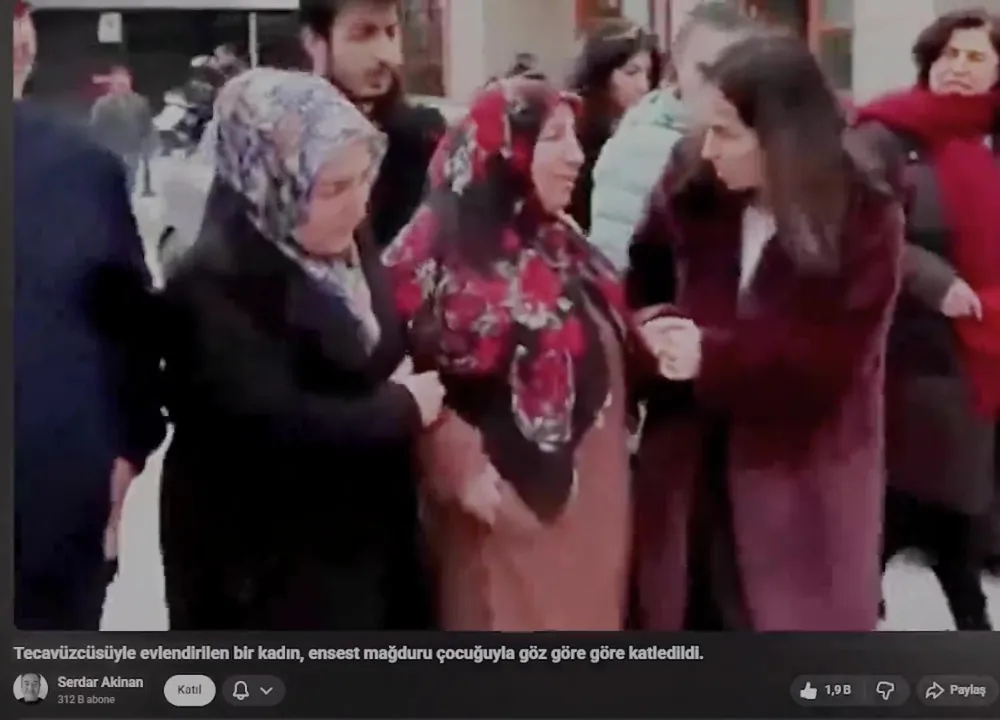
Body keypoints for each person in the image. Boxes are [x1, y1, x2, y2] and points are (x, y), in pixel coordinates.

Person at [625, 34, 902, 631]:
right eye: (707, 129)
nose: (709, 148)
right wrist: (650, 336)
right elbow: (638, 291)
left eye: (727, 133)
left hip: (798, 485)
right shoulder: (690, 189)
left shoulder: (861, 215)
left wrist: (712, 357)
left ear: (780, 137)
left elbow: (829, 363)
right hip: (686, 475)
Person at [159, 69, 444, 629]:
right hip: (268, 576)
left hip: (369, 554)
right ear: (269, 181)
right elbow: (269, 424)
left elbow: (375, 343)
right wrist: (402, 408)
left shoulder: (343, 240)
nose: (357, 206)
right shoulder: (213, 284)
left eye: (364, 179)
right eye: (333, 189)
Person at [382, 78, 648, 630]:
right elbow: (390, 367)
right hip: (502, 520)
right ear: (504, 150)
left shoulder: (560, 241)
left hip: (589, 518)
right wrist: (456, 461)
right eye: (553, 138)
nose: (576, 155)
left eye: (574, 136)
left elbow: (596, 335)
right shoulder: (437, 252)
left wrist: (650, 336)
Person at [854, 8, 1000, 625]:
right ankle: (875, 590)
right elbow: (867, 226)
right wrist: (934, 282)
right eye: (949, 54)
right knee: (908, 476)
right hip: (915, 337)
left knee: (982, 466)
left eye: (975, 57)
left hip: (998, 333)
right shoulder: (886, 133)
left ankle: (977, 556)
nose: (958, 67)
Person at [15, 0, 166, 630]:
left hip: (53, 529)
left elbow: (130, 331)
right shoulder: (80, 166)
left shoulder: (81, 169)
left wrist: (124, 459)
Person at [589, 1, 758, 269]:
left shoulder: (752, 140)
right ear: (679, 66)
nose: (720, 80)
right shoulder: (639, 144)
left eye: (734, 67)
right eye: (706, 68)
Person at [300, 0, 447, 247]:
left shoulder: (421, 138)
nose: (387, 56)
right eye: (363, 34)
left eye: (391, 32)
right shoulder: (287, 143)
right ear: (315, 42)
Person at [566, 19, 661, 233]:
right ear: (603, 74)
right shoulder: (574, 131)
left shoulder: (651, 131)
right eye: (631, 72)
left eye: (648, 74)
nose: (643, 86)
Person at [89, 65, 153, 195]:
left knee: (130, 181)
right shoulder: (102, 104)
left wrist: (146, 147)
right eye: (119, 83)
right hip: (111, 150)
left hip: (132, 149)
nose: (122, 86)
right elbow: (96, 128)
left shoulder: (140, 102)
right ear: (112, 84)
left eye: (125, 83)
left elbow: (146, 126)